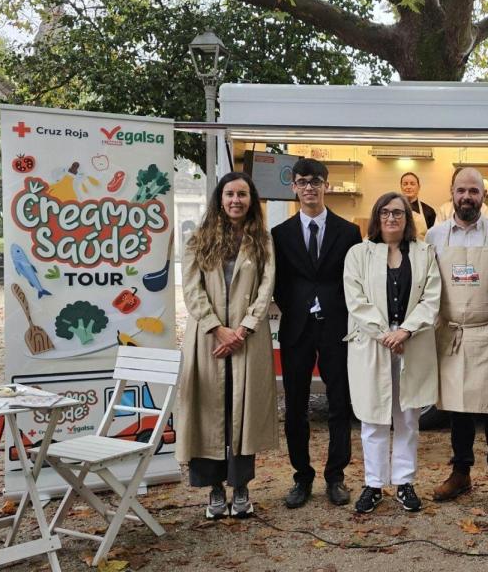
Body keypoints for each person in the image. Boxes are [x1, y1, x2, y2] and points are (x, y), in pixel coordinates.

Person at [177, 171, 277, 519]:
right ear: (220, 198)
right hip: (207, 341)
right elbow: (191, 290)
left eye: (243, 194)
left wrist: (243, 330)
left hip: (247, 342)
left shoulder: (261, 240)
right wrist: (217, 329)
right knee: (209, 412)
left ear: (251, 201)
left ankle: (241, 487)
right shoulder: (198, 240)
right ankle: (215, 490)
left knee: (241, 413)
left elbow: (266, 289)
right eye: (230, 194)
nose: (236, 200)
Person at [271, 158, 363, 508]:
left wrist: (329, 304)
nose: (309, 187)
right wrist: (299, 305)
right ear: (294, 187)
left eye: (316, 181)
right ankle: (301, 476)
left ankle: (335, 476)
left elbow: (352, 280)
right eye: (302, 181)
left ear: (327, 185)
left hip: (337, 327)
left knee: (340, 403)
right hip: (296, 328)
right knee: (295, 405)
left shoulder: (348, 232)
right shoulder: (280, 234)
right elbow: (279, 283)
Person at [343, 192, 441, 514]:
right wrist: (386, 334)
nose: (391, 218)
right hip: (374, 345)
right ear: (376, 217)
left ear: (407, 218)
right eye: (385, 212)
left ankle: (403, 482)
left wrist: (405, 331)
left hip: (410, 344)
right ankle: (373, 484)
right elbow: (356, 301)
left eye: (398, 213)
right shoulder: (358, 253)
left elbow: (431, 298)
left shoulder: (424, 252)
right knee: (373, 418)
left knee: (408, 417)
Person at [425, 167, 488, 509]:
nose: (467, 197)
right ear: (452, 193)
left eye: (473, 191)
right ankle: (460, 473)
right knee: (458, 408)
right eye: (461, 190)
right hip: (452, 334)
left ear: (483, 195)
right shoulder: (434, 236)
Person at [400, 172, 436, 238]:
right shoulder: (394, 209)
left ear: (419, 187)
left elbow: (433, 237)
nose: (408, 187)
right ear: (401, 187)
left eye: (412, 184)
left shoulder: (429, 211)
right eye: (405, 184)